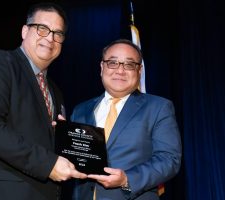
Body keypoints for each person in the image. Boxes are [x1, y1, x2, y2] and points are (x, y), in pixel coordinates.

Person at [0, 2, 87, 200]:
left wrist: (63, 139)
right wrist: (47, 164)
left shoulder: (55, 91)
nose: (50, 38)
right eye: (42, 29)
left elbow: (36, 140)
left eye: (58, 33)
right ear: (24, 31)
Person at [69, 39, 182, 200]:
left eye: (129, 65)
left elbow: (169, 160)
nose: (120, 70)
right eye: (112, 63)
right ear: (102, 67)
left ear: (139, 70)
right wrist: (60, 135)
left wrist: (127, 180)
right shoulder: (81, 110)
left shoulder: (158, 107)